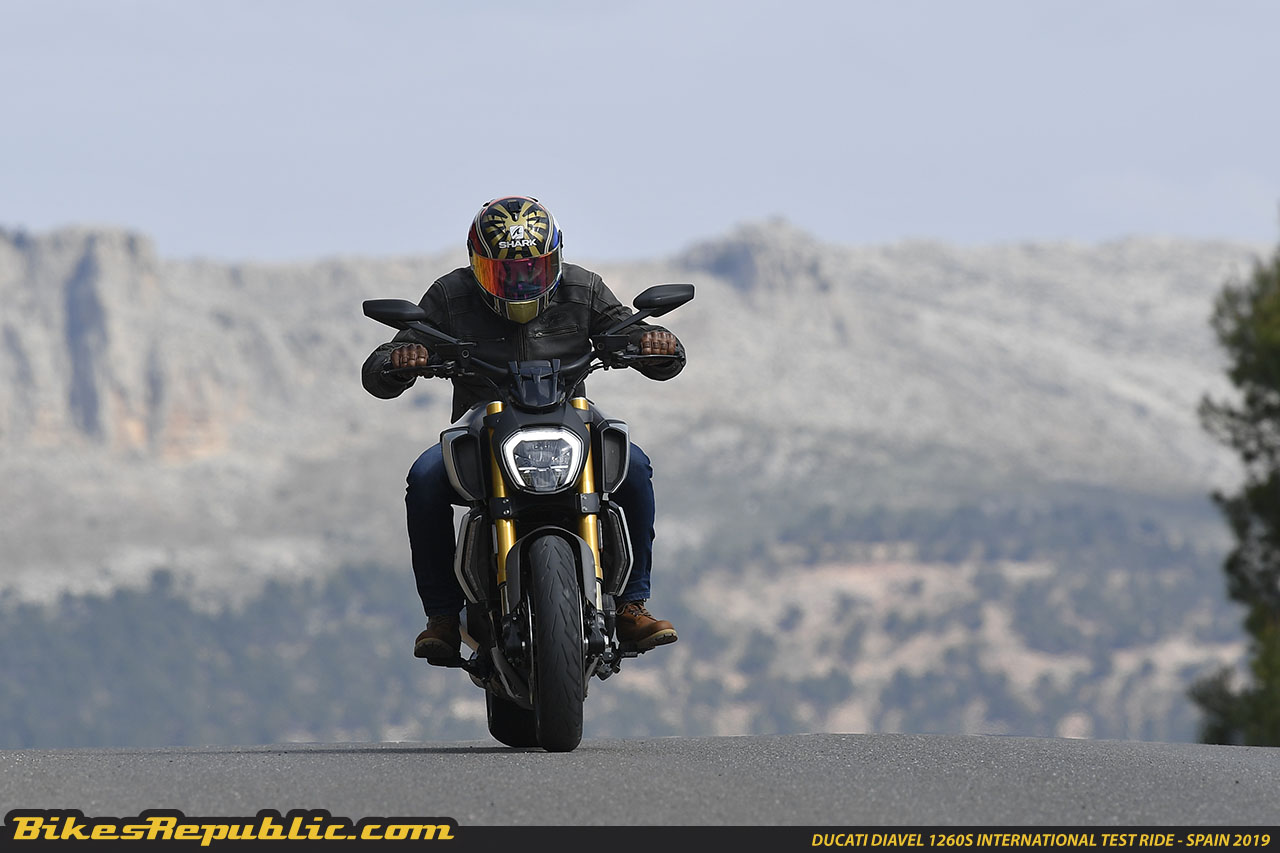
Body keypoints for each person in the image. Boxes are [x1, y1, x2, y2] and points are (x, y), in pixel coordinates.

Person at [362, 195, 685, 663]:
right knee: (425, 479)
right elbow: (381, 367)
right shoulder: (450, 295)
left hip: (570, 414)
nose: (519, 283)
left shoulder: (583, 288)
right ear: (477, 265)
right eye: (504, 273)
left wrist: (655, 343)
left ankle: (632, 604)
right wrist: (400, 359)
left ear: (555, 258)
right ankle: (442, 617)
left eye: (532, 270)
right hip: (483, 421)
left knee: (634, 466)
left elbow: (630, 332)